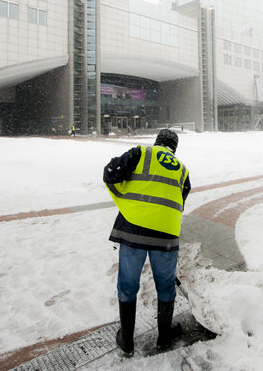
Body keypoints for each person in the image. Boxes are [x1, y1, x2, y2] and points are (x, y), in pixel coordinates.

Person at [103, 129, 191, 356]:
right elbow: (180, 198)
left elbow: (110, 172)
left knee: (128, 284)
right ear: (174, 147)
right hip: (167, 235)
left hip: (134, 231)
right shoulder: (182, 170)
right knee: (165, 285)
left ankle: (127, 340)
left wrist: (127, 198)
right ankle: (164, 336)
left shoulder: (141, 153)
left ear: (157, 141)